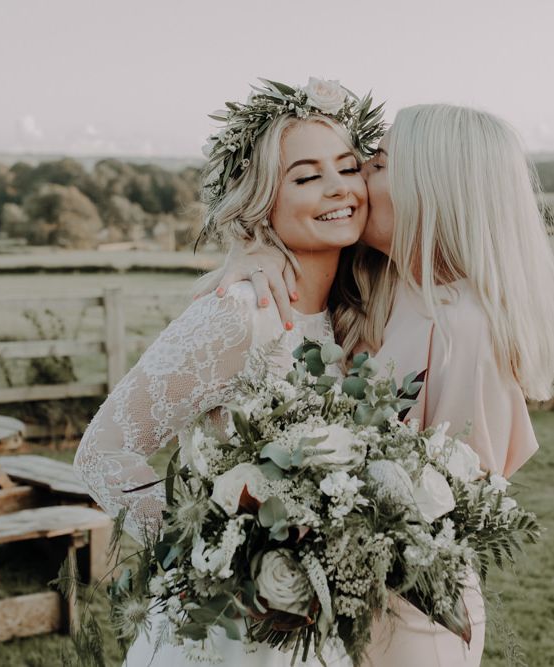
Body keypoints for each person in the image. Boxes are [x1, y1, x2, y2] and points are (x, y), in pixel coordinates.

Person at [198, 103, 554, 666]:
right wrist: (254, 248)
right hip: (344, 608)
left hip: (414, 617)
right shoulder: (384, 288)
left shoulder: (465, 324)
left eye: (378, 164)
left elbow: (455, 500)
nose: (358, 179)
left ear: (429, 189)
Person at [73, 77, 384, 666]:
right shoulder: (238, 314)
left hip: (315, 626)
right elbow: (102, 453)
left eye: (348, 168)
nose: (339, 189)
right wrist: (218, 558)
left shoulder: (355, 314)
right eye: (307, 176)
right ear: (260, 200)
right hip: (226, 631)